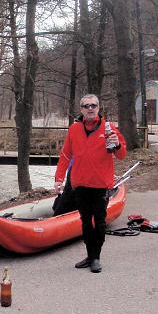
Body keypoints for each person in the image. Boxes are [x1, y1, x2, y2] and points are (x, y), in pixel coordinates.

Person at [54, 94, 127, 273]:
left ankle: (96, 257)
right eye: (86, 106)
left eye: (93, 105)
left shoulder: (109, 128)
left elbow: (122, 155)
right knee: (86, 222)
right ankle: (89, 255)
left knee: (100, 222)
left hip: (101, 184)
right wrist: (59, 178)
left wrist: (117, 145)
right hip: (80, 184)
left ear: (98, 108)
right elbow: (65, 155)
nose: (90, 108)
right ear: (81, 109)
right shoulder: (74, 129)